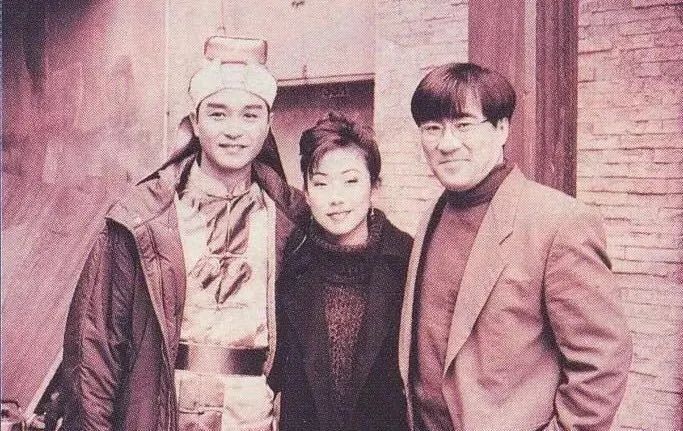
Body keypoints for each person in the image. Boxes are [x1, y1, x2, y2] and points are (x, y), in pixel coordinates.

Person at [60, 37, 307, 430]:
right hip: (161, 409)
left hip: (254, 415)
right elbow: (94, 348)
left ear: (269, 123)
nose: (234, 130)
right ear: (195, 120)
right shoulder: (143, 218)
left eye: (250, 115)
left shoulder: (293, 219)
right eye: (218, 114)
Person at [398, 63, 633, 431]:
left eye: (463, 125)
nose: (447, 143)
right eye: (432, 128)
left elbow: (601, 362)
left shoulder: (558, 222)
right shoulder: (432, 215)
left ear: (502, 129)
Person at [271, 112, 412, 431]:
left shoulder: (408, 261)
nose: (336, 198)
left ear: (375, 187)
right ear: (307, 193)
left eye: (351, 181)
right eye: (321, 183)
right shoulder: (287, 261)